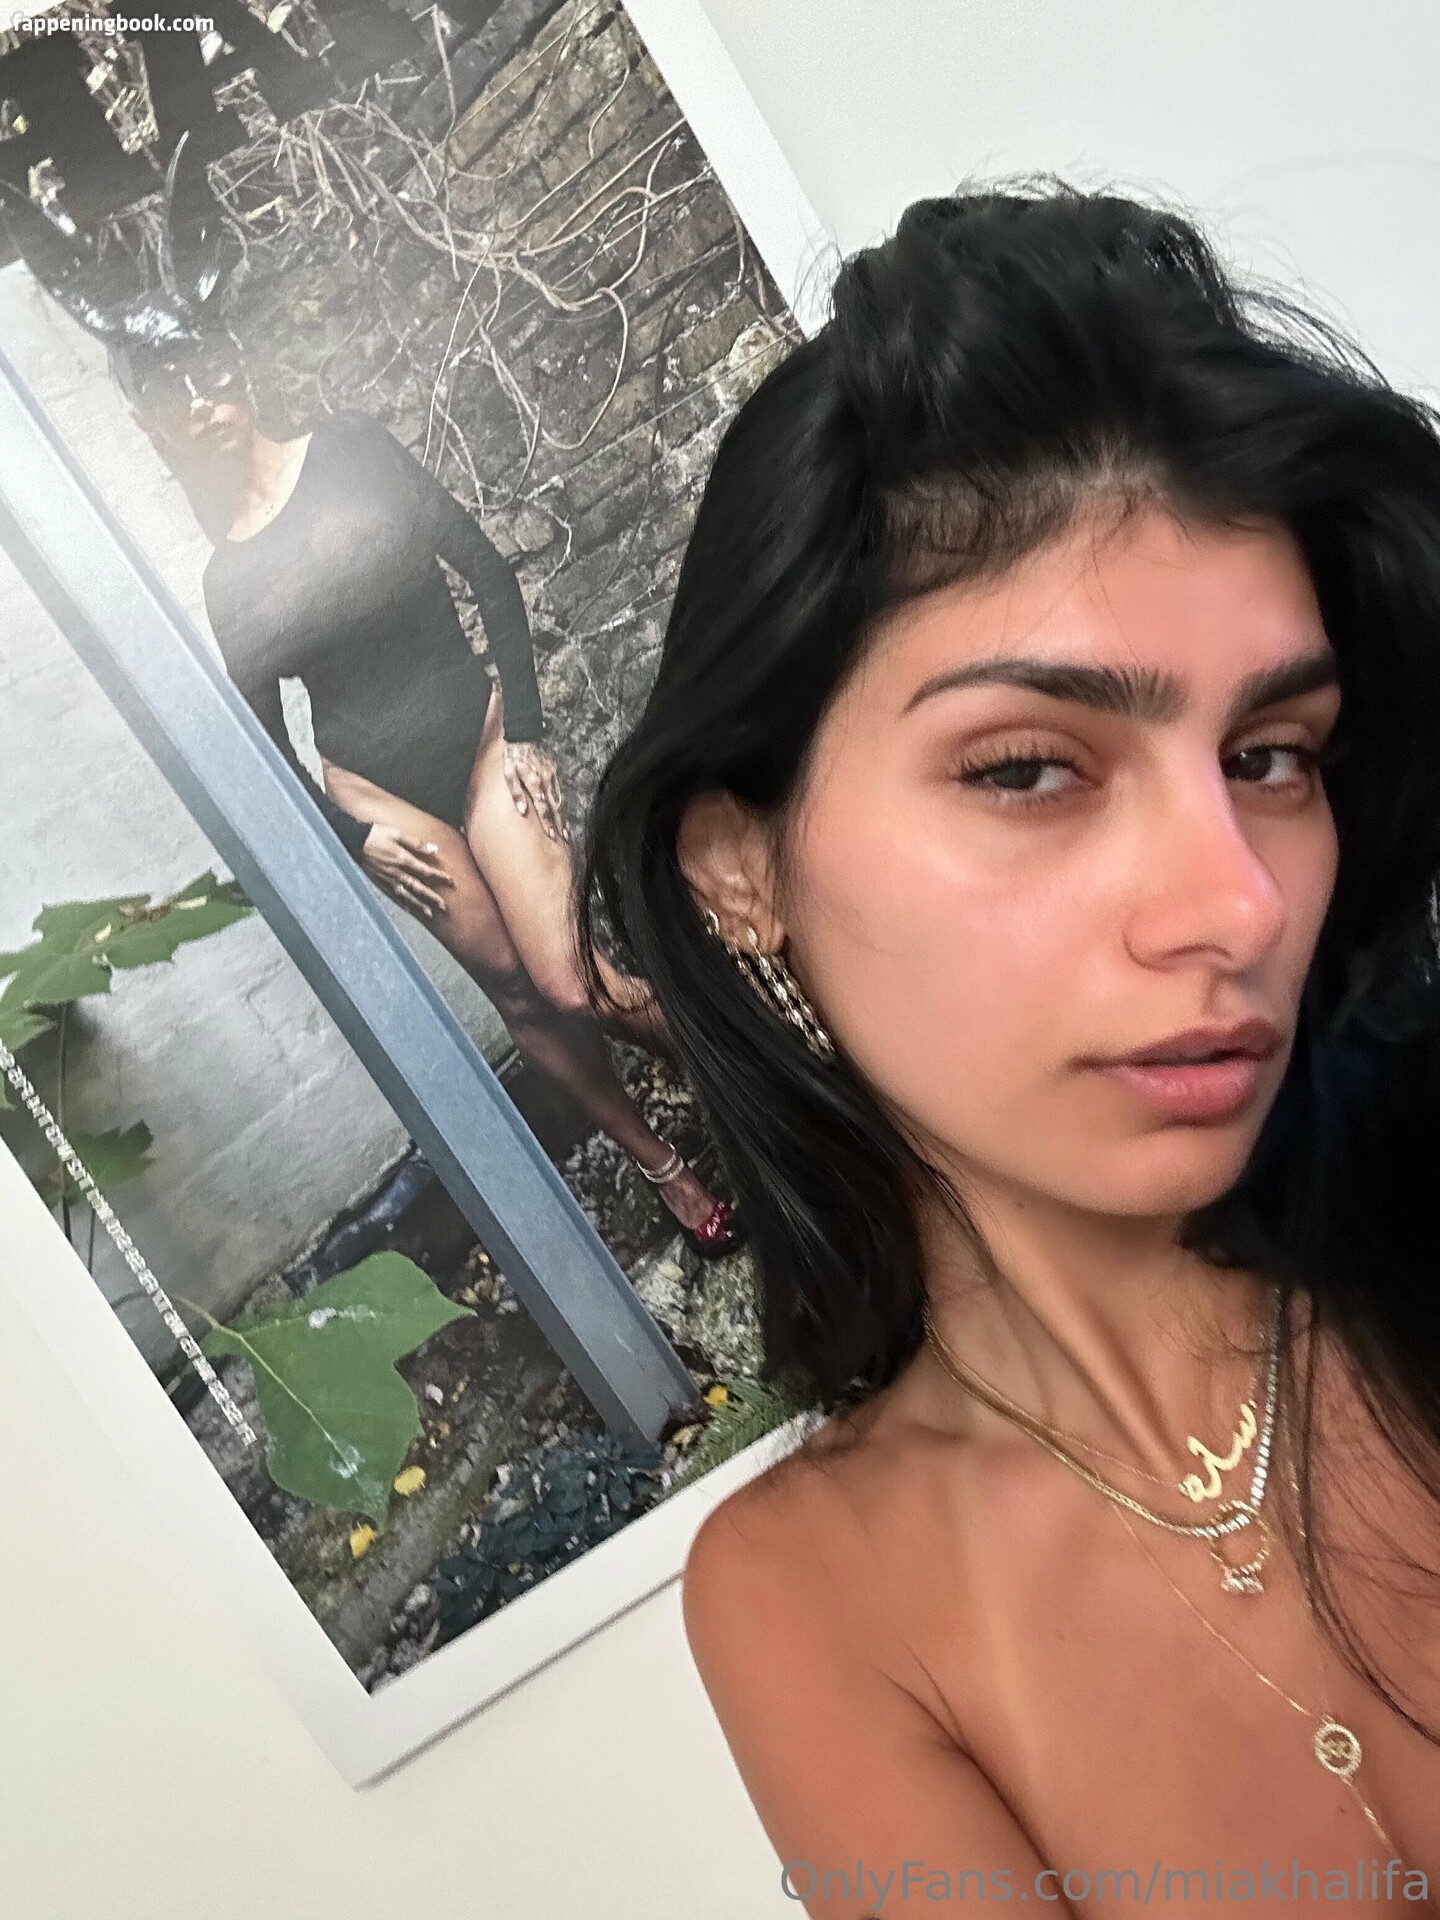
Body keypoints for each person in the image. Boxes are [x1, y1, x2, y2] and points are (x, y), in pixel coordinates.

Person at [580, 184, 1440, 1905]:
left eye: (1272, 756)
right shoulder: (817, 1598)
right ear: (743, 868)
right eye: (1031, 768)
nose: (1237, 903)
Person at [2, 134, 740, 1259]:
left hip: (481, 743)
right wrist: (356, 838)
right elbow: (267, 754)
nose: (204, 402)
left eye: (210, 372)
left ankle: (752, 1086)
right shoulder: (227, 581)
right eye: (172, 394)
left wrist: (528, 733)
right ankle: (664, 1166)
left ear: (237, 366)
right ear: (151, 426)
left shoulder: (347, 448)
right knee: (521, 1003)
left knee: (572, 981)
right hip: (386, 802)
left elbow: (485, 570)